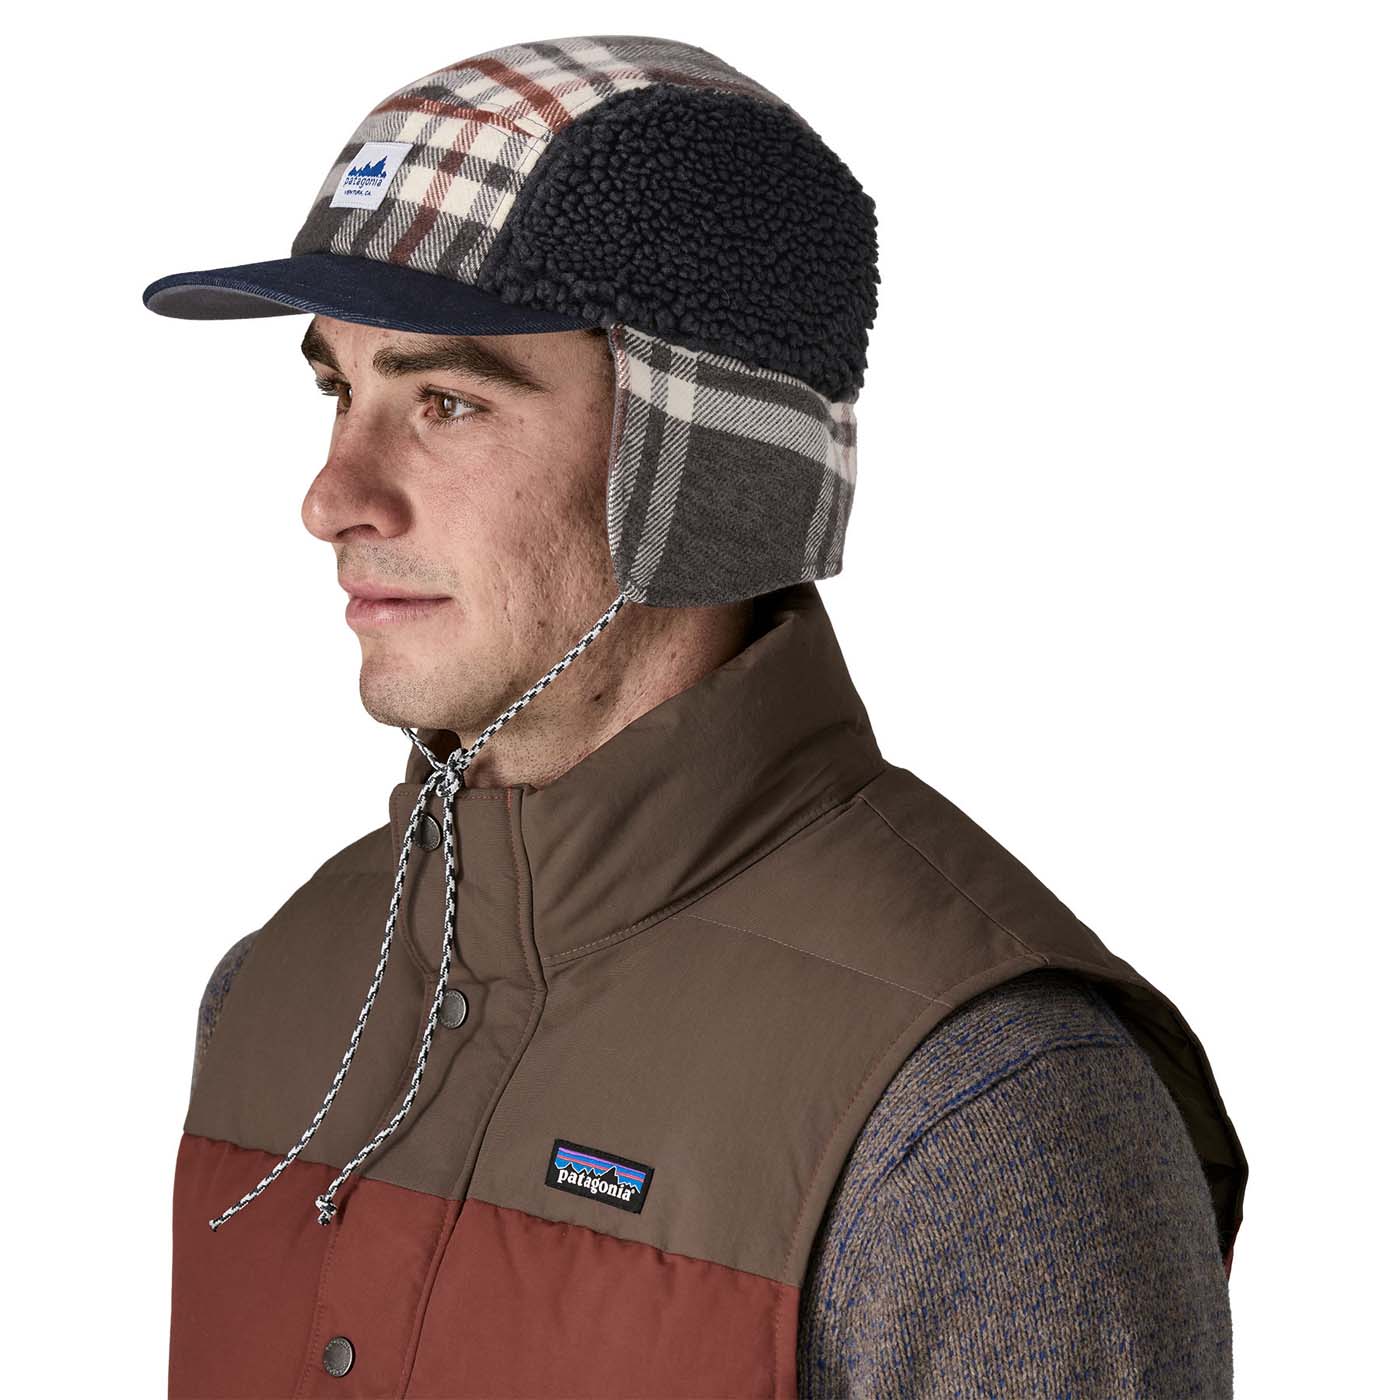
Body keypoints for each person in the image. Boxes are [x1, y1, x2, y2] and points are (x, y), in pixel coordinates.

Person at [144, 33, 1247, 1398]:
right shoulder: (278, 994)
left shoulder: (982, 1109)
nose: (332, 498)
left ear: (703, 466)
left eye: (447, 401)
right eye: (338, 389)